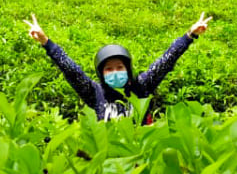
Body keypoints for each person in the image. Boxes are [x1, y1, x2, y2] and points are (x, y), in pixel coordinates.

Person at [24, 13, 212, 121]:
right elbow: (71, 70)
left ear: (128, 69)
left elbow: (166, 60)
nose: (115, 73)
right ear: (101, 73)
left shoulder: (142, 86)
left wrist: (189, 35)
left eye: (119, 67)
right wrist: (46, 42)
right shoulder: (95, 92)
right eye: (109, 69)